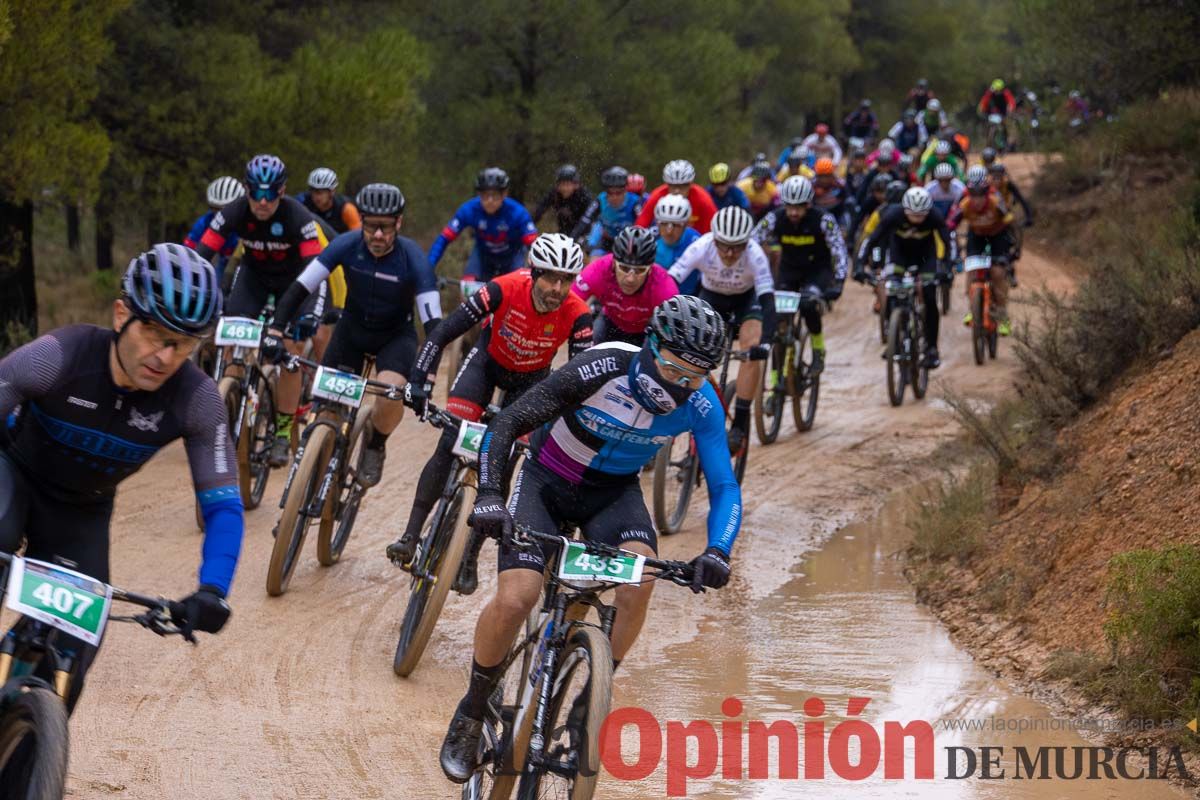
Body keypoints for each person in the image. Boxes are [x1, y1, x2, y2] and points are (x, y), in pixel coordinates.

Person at [436, 295, 741, 784]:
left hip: (612, 495)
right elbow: (508, 423)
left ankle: (588, 701)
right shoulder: (602, 366)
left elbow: (724, 485)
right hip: (546, 481)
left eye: (695, 377)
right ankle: (471, 711)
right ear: (651, 345)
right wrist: (491, 493)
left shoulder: (703, 405)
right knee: (519, 596)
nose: (680, 386)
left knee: (640, 580)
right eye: (673, 369)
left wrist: (718, 551)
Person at [0, 245, 241, 713]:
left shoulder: (197, 400)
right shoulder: (55, 359)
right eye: (153, 332)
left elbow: (223, 505)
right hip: (12, 474)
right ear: (120, 315)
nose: (164, 355)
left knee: (73, 656)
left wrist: (214, 589)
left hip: (81, 511)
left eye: (184, 343)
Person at [387, 234, 592, 592]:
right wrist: (419, 381)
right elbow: (443, 333)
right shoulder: (503, 288)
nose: (558, 288)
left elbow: (579, 380)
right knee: (450, 440)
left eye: (567, 280)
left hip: (530, 382)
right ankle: (410, 535)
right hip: (487, 365)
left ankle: (467, 556)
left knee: (504, 461)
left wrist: (565, 428)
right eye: (550, 278)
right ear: (534, 272)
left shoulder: (578, 314)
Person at [261, 184, 441, 486]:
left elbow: (434, 323)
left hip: (395, 337)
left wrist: (428, 378)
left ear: (398, 223)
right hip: (351, 331)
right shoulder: (346, 244)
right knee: (325, 411)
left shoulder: (413, 258)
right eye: (371, 226)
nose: (378, 235)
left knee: (390, 393)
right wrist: (276, 330)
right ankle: (307, 487)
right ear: (362, 223)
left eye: (385, 227)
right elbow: (301, 287)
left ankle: (375, 443)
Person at [192, 154, 325, 467]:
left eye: (270, 194)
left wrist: (309, 315)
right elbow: (202, 255)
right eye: (256, 193)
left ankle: (281, 433)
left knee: (291, 352)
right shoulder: (234, 211)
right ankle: (232, 395)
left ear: (282, 191)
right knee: (230, 337)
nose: (262, 202)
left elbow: (316, 273)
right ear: (247, 190)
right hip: (253, 279)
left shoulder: (299, 217)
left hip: (296, 284)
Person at [668, 206, 775, 453]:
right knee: (690, 348)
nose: (728, 252)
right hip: (712, 299)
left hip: (746, 301)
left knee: (751, 346)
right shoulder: (701, 246)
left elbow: (768, 300)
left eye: (737, 246)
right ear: (714, 238)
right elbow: (670, 280)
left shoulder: (755, 254)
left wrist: (766, 343)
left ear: (746, 243)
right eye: (723, 245)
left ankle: (740, 421)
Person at [754, 176, 848, 376]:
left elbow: (838, 249)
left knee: (808, 305)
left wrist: (839, 281)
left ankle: (818, 348)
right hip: (789, 270)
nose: (794, 212)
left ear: (808, 204)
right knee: (778, 321)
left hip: (817, 271)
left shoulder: (823, 220)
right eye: (790, 207)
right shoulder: (774, 218)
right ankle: (775, 381)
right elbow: (751, 243)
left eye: (799, 207)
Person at [857, 187, 955, 368]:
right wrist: (859, 264)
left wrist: (948, 267)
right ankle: (894, 336)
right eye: (913, 215)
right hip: (899, 255)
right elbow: (871, 239)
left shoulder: (934, 216)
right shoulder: (893, 215)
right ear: (905, 210)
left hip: (926, 257)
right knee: (890, 292)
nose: (917, 220)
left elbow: (948, 241)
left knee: (929, 294)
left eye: (921, 216)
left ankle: (932, 348)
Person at [429, 167, 538, 283]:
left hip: (512, 256)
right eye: (485, 195)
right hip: (483, 256)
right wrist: (428, 267)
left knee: (517, 287)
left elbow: (535, 246)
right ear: (479, 194)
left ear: (504, 194)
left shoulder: (518, 213)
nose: (490, 201)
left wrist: (537, 273)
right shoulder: (469, 209)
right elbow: (444, 238)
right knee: (468, 287)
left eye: (495, 195)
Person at [573, 226, 678, 345]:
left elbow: (673, 334)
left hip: (645, 330)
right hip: (610, 322)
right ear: (613, 263)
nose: (630, 279)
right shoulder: (598, 270)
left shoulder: (664, 287)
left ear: (650, 270)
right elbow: (569, 303)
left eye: (639, 271)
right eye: (624, 268)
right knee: (587, 352)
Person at [951, 167, 1014, 335]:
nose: (977, 199)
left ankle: (1003, 316)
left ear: (986, 193)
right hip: (976, 236)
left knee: (998, 273)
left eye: (981, 195)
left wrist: (1013, 245)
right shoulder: (965, 204)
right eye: (974, 195)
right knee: (971, 271)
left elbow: (1008, 220)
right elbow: (951, 222)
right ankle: (973, 309)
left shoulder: (995, 200)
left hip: (997, 236)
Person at [571, 165, 644, 257]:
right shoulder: (601, 200)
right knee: (594, 263)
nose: (614, 197)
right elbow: (585, 220)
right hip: (606, 241)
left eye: (618, 193)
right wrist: (571, 240)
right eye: (610, 193)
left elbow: (644, 225)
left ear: (625, 190)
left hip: (628, 243)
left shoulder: (635, 202)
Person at [184, 176, 244, 283]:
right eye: (215, 209)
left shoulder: (248, 222)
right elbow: (188, 252)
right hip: (224, 260)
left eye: (226, 209)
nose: (221, 214)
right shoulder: (205, 222)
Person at [635, 159, 718, 233]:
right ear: (667, 184)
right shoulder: (657, 195)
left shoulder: (703, 199)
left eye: (683, 186)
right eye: (673, 185)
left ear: (690, 184)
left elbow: (714, 230)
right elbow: (641, 224)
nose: (677, 190)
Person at [652, 194, 702, 292]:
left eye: (676, 225)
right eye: (664, 223)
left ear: (686, 225)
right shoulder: (650, 238)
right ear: (657, 223)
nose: (669, 231)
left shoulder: (696, 241)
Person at [297, 167, 362, 235]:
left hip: (338, 243)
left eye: (319, 193)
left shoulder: (347, 209)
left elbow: (357, 236)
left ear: (332, 192)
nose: (315, 196)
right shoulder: (303, 202)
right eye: (313, 192)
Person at [532, 163, 593, 235]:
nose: (564, 188)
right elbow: (540, 209)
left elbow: (590, 219)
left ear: (576, 185)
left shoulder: (584, 196)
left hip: (583, 234)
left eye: (568, 185)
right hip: (563, 231)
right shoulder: (555, 194)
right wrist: (530, 225)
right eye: (562, 184)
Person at [811, 158, 851, 230]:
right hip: (819, 216)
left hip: (837, 215)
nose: (824, 180)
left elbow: (847, 200)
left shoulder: (840, 185)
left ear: (832, 174)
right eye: (821, 176)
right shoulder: (811, 186)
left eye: (827, 176)